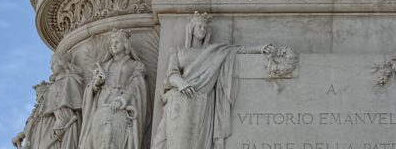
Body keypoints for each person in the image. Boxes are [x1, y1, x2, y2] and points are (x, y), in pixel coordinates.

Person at [152, 12, 270, 149]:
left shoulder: (214, 51)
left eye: (204, 27)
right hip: (180, 99)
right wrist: (182, 83)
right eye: (199, 27)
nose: (202, 29)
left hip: (203, 100)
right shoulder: (179, 51)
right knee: (164, 139)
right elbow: (171, 75)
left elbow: (237, 50)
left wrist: (259, 49)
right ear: (191, 29)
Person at [79, 31, 147, 149]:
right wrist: (96, 84)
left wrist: (122, 100)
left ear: (125, 45)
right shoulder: (103, 66)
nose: (114, 45)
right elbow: (92, 89)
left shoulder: (135, 65)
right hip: (101, 106)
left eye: (117, 42)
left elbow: (136, 84)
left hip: (121, 108)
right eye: (112, 43)